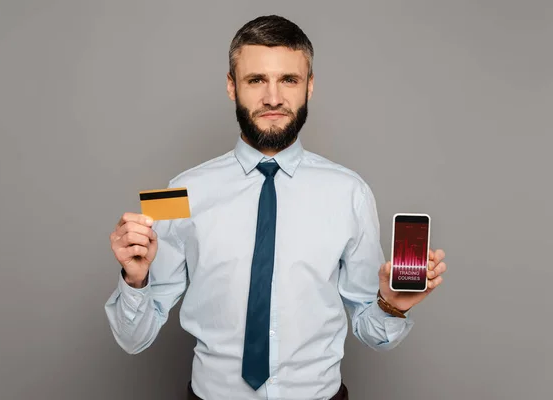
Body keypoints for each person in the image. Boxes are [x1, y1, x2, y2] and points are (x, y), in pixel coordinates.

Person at [105, 15, 447, 400]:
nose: (273, 98)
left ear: (310, 87)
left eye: (289, 79)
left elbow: (375, 335)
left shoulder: (351, 192)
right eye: (256, 80)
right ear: (232, 87)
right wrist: (135, 281)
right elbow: (133, 339)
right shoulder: (178, 191)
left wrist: (392, 306)